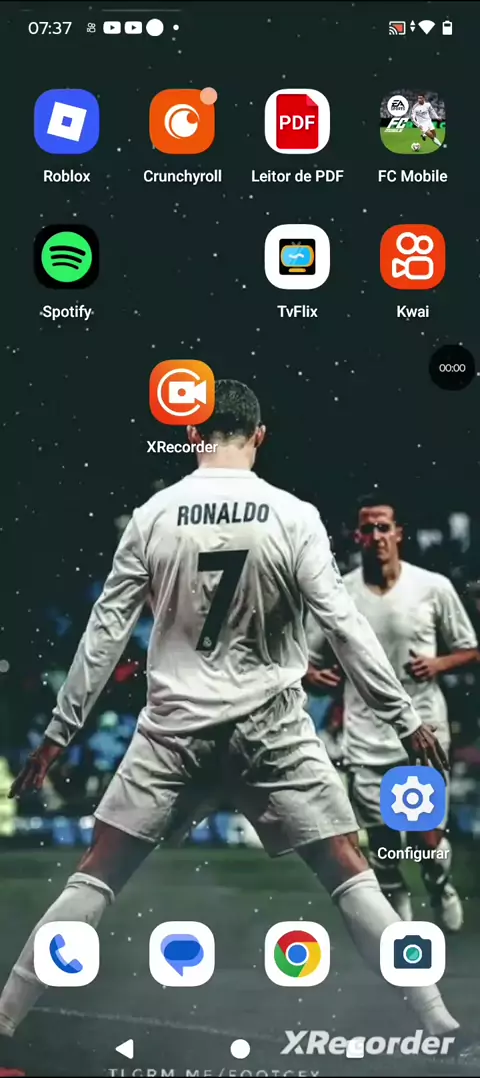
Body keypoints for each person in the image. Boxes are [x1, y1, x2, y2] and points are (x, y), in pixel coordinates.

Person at [0, 382, 468, 1071]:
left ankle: (5, 1018)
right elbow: (343, 625)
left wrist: (58, 733)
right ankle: (437, 1019)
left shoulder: (153, 515)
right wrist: (403, 716)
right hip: (271, 726)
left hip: (174, 729)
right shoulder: (294, 515)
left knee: (97, 874)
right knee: (349, 871)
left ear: (193, 435)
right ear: (260, 436)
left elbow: (105, 632)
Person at [305, 493, 478, 929]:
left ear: (399, 533)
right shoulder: (339, 595)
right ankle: (398, 924)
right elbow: (305, 658)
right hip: (365, 734)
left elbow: (470, 649)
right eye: (368, 528)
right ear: (356, 536)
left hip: (423, 728)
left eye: (384, 527)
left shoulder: (432, 587)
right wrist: (312, 675)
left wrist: (438, 664)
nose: (377, 535)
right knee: (382, 845)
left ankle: (438, 883)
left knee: (424, 838)